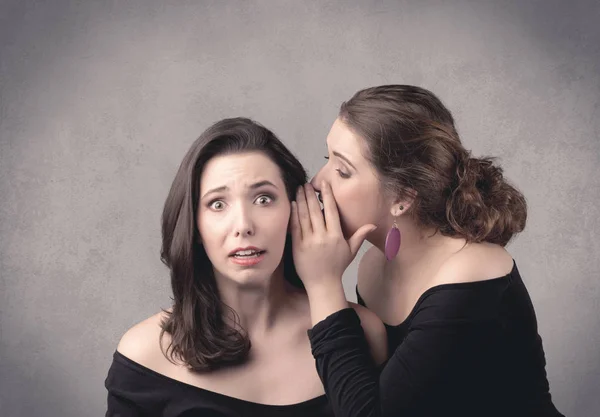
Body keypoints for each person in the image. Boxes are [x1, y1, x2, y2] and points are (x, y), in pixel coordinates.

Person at [291, 85, 565, 416]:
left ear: (402, 199)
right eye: (327, 159)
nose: (319, 182)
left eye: (342, 170)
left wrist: (322, 285)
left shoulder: (470, 274)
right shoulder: (374, 265)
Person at [104, 117, 387, 417]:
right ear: (195, 227)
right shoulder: (146, 352)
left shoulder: (365, 333)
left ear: (297, 212)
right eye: (217, 204)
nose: (243, 225)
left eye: (263, 199)